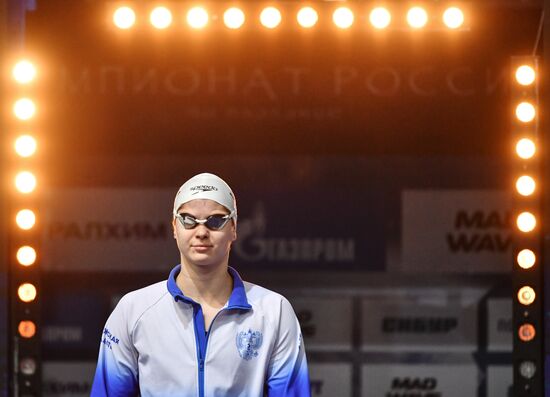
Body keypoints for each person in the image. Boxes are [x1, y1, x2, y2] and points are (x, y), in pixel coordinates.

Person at [90, 172, 311, 397]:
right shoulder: (133, 310)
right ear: (175, 227)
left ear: (234, 228)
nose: (202, 232)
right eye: (188, 220)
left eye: (216, 221)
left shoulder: (274, 311)